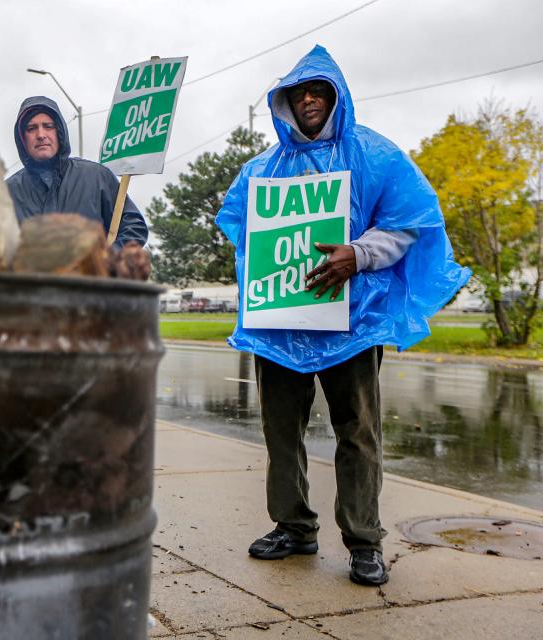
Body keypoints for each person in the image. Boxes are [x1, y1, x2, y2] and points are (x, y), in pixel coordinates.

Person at [215, 46, 469, 586]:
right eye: (298, 92)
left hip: (353, 321)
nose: (308, 99)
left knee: (357, 432)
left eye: (318, 90)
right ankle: (293, 526)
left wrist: (360, 252)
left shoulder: (374, 155)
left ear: (336, 96)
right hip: (280, 322)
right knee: (280, 430)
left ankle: (363, 540)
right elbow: (242, 228)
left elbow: (407, 224)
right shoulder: (263, 168)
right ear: (284, 103)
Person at [5, 96, 148, 249]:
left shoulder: (96, 178)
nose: (41, 135)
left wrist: (107, 261)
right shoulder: (7, 194)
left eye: (48, 126)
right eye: (31, 128)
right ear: (22, 138)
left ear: (59, 131)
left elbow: (134, 228)